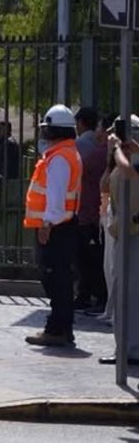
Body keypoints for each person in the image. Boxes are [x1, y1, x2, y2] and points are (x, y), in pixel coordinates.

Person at [23, 103, 82, 347]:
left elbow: (56, 198)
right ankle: (61, 327)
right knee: (60, 279)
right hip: (64, 225)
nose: (43, 133)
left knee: (54, 279)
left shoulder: (59, 158)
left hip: (56, 227)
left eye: (46, 129)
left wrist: (47, 224)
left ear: (55, 131)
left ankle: (57, 328)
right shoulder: (68, 153)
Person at [100, 122, 139, 366]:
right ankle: (125, 347)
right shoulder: (127, 158)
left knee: (130, 294)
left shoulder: (130, 162)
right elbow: (107, 181)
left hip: (134, 232)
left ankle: (131, 350)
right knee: (122, 291)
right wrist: (113, 154)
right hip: (124, 232)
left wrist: (116, 149)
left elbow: (129, 173)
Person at [73, 107, 108, 314]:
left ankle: (90, 296)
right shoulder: (100, 150)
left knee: (87, 259)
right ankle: (95, 297)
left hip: (89, 211)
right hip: (98, 211)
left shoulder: (91, 151)